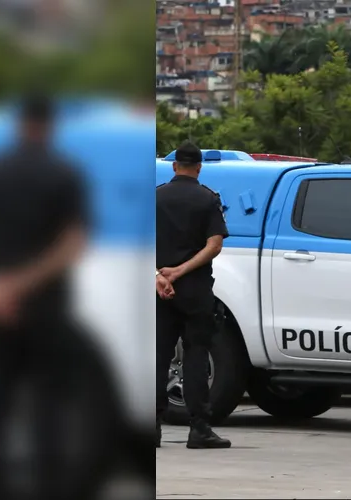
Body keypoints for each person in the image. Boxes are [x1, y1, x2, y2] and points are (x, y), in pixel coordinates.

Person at [0, 94, 110, 499]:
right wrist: (24, 285)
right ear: (49, 127)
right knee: (49, 406)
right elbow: (73, 243)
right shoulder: (64, 173)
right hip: (45, 308)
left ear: (19, 124)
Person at [156, 142, 231, 449]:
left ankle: (152, 428)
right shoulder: (207, 199)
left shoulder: (156, 196)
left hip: (160, 289)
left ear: (174, 166)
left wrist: (161, 275)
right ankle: (199, 428)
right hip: (195, 289)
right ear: (199, 167)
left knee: (157, 357)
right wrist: (181, 271)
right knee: (196, 354)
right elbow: (214, 244)